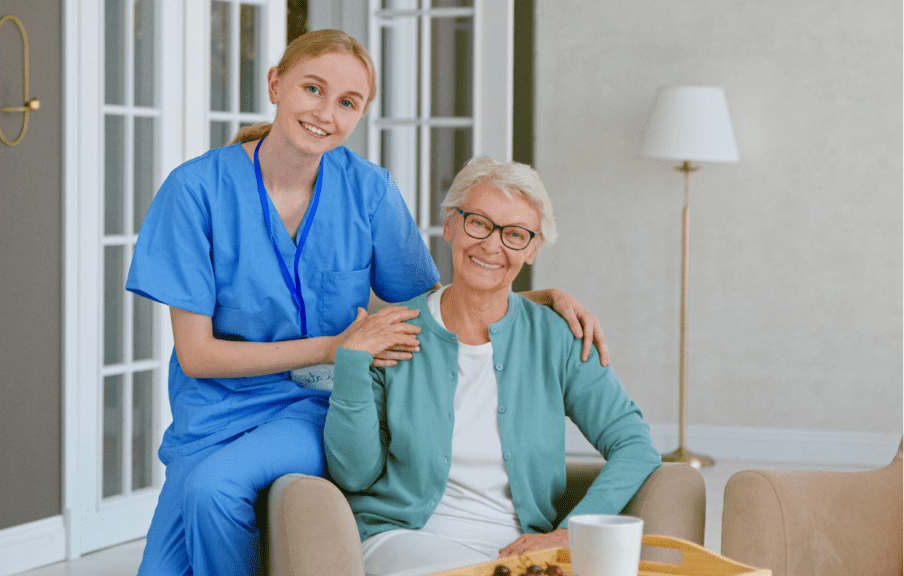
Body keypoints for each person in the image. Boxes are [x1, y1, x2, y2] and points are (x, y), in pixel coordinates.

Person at [126, 30, 608, 575]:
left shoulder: (369, 190)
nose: (326, 112)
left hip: (314, 407)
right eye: (313, 89)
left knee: (215, 490)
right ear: (275, 84)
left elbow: (432, 303)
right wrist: (335, 346)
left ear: (359, 116)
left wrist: (535, 297)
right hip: (210, 411)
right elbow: (197, 357)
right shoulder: (194, 191)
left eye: (347, 103)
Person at [324, 155, 662, 576]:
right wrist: (353, 365)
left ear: (533, 248)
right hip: (405, 539)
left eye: (515, 234)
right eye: (479, 223)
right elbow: (353, 475)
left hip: (520, 552)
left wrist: (568, 534)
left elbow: (634, 444)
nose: (492, 245)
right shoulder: (392, 332)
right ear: (450, 224)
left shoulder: (557, 336)